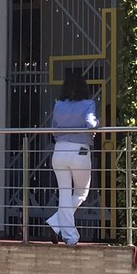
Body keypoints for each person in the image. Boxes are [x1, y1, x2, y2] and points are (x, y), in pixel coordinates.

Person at [45, 70, 98, 246]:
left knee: (64, 194)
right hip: (79, 151)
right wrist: (97, 125)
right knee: (81, 193)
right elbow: (90, 123)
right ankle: (61, 229)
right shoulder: (88, 104)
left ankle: (62, 230)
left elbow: (53, 129)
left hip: (59, 151)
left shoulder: (58, 105)